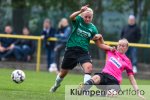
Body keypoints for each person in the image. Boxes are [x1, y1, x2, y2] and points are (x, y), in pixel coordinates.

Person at [50, 5, 105, 92]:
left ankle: (85, 91)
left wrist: (100, 38)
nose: (87, 19)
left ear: (92, 17)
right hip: (71, 50)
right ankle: (56, 85)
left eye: (89, 17)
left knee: (89, 68)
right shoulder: (78, 20)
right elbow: (71, 17)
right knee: (63, 73)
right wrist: (80, 11)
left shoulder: (93, 28)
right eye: (86, 17)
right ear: (82, 16)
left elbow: (99, 43)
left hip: (83, 51)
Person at [80, 38, 145, 99]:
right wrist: (100, 37)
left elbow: (132, 79)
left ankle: (94, 95)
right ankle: (83, 89)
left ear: (126, 48)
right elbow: (101, 44)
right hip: (104, 76)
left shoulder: (127, 61)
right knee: (95, 77)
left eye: (123, 46)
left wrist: (138, 92)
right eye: (119, 45)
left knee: (113, 93)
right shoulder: (112, 51)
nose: (120, 47)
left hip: (114, 81)